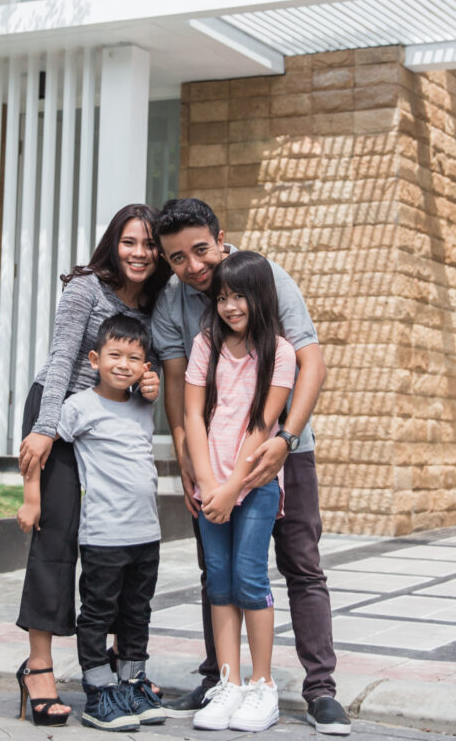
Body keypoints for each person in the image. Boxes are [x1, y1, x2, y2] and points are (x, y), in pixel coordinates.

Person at [151, 198, 351, 735]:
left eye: (200, 250)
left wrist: (285, 439)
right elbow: (179, 387)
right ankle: (222, 676)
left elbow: (310, 359)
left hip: (283, 448)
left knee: (300, 564)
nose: (192, 267)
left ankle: (320, 689)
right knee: (217, 568)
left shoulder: (265, 277)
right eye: (176, 258)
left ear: (220, 238)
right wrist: (188, 462)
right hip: (210, 456)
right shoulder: (173, 304)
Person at [13, 204, 171, 727]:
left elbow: (147, 366)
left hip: (112, 422)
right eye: (130, 242)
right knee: (56, 541)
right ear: (113, 243)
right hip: (60, 413)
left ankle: (117, 675)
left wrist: (152, 387)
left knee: (114, 550)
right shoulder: (84, 288)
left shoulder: (156, 301)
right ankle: (38, 670)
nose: (140, 253)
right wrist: (42, 426)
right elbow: (62, 359)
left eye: (149, 244)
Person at [183, 252, 295, 732]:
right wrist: (208, 483)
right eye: (223, 297)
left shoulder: (281, 353)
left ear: (260, 296)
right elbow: (192, 416)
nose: (230, 306)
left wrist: (232, 487)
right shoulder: (206, 345)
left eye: (239, 296)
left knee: (251, 580)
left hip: (254, 486)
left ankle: (262, 686)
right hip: (210, 486)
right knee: (220, 583)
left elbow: (262, 423)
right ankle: (227, 684)